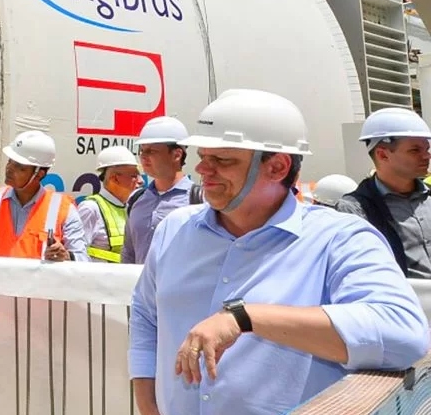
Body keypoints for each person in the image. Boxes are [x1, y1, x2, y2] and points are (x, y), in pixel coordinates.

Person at [129, 89, 428, 415]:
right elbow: (146, 315)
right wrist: (147, 402)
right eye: (203, 155)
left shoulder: (339, 239)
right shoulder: (174, 231)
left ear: (278, 166)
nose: (203, 169)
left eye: (223, 159)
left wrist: (245, 318)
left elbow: (403, 334)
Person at [336, 107, 431, 278]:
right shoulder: (355, 210)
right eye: (415, 150)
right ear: (383, 155)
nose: (427, 156)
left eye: (427, 148)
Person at [0, 130, 88, 261]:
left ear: (39, 174)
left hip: (40, 281)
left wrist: (66, 256)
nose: (9, 169)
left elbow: (83, 258)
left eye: (20, 167)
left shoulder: (64, 209)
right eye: (10, 162)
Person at [120, 116, 201, 264]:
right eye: (142, 150)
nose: (143, 157)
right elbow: (129, 253)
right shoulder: (136, 200)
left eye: (151, 151)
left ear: (177, 155)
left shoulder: (199, 201)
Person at [77, 145, 142, 262]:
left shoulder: (132, 208)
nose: (140, 181)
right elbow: (78, 254)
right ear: (114, 178)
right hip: (98, 279)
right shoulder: (90, 209)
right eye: (134, 176)